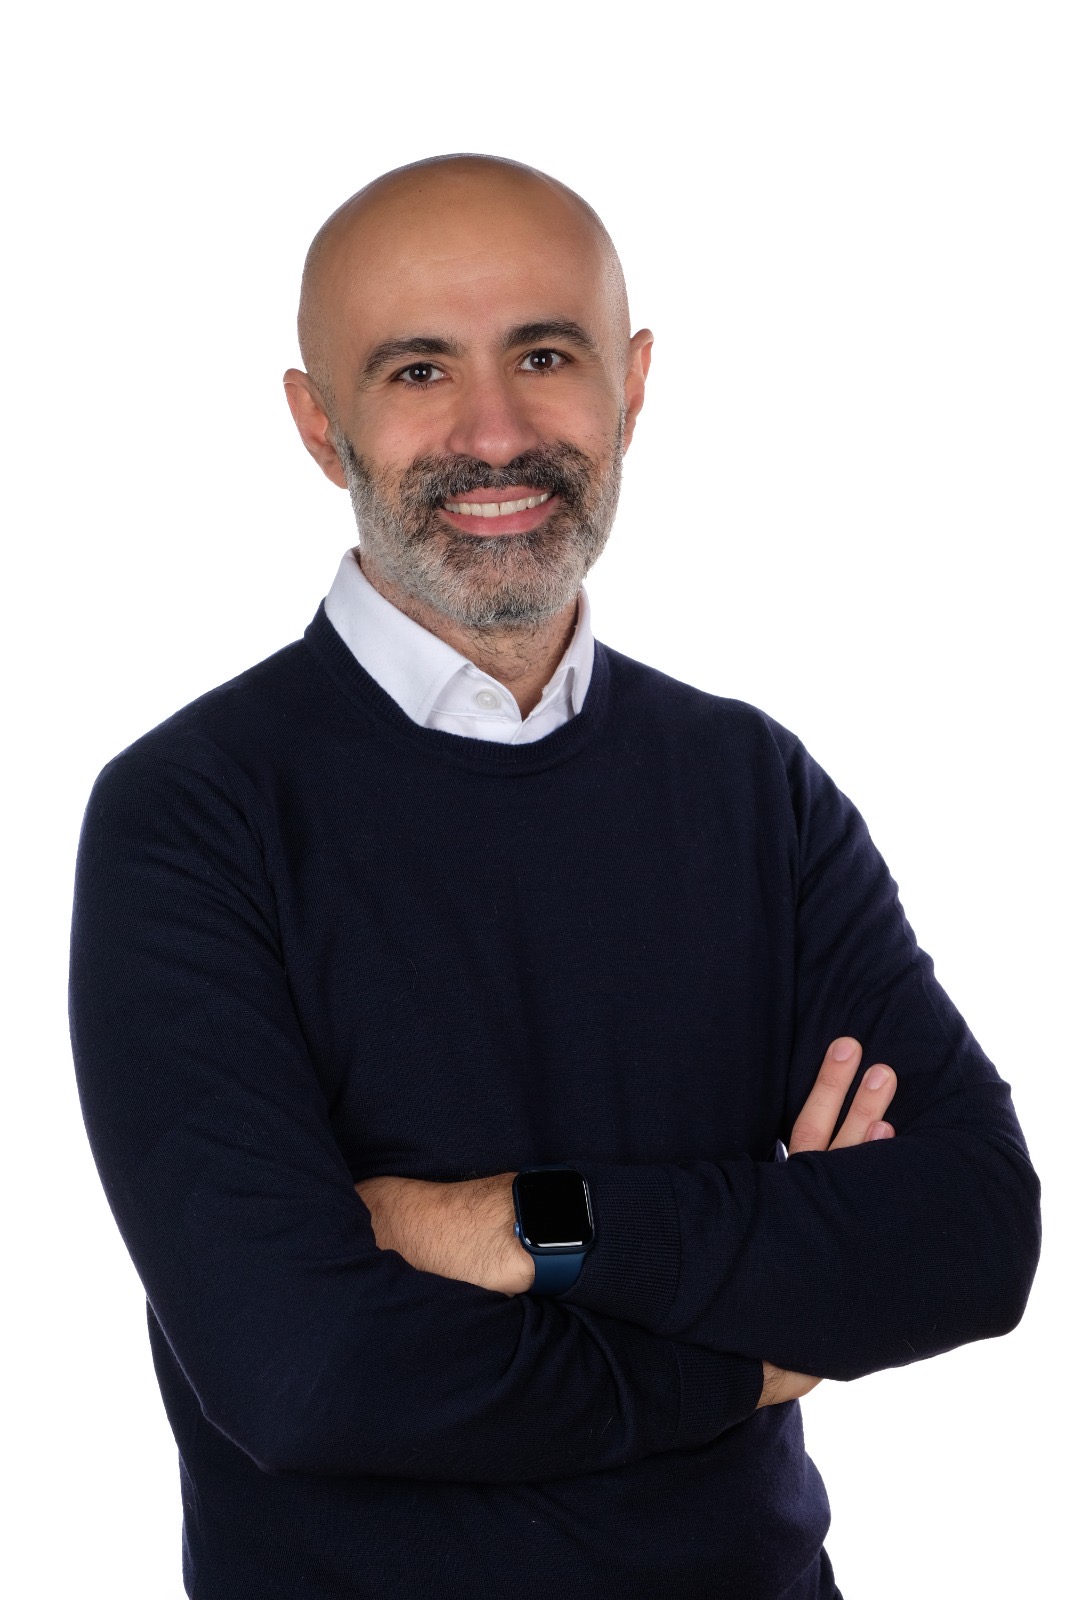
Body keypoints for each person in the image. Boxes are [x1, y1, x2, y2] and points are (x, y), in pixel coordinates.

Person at [69, 154, 1040, 1600]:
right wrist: (753, 1346)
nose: (496, 432)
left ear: (630, 384)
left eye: (543, 355)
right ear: (318, 424)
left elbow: (970, 1235)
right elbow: (308, 1375)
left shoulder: (750, 786)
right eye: (417, 370)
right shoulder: (192, 815)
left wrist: (529, 1225)